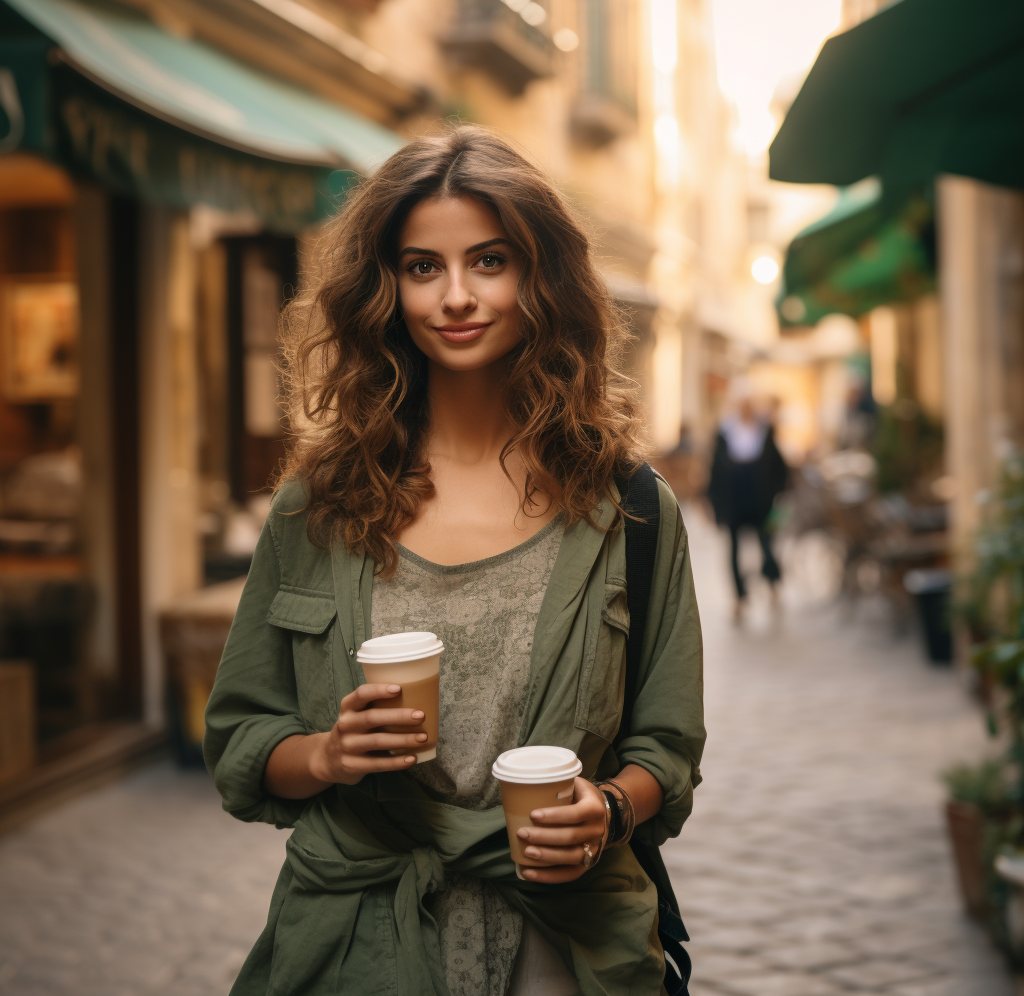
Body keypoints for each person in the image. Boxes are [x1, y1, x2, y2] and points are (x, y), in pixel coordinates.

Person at [203, 127, 705, 996]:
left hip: (566, 945)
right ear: (385, 286)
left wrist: (610, 808)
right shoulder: (318, 505)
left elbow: (666, 744)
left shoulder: (630, 508)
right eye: (422, 266)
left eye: (490, 260)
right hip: (358, 944)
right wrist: (326, 755)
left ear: (539, 275)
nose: (457, 297)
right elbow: (243, 738)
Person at [707, 392, 788, 621]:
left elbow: (778, 466)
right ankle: (739, 597)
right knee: (733, 549)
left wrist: (780, 493)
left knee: (767, 545)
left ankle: (772, 584)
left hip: (760, 499)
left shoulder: (765, 432)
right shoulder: (724, 433)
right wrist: (711, 500)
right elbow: (715, 469)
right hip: (733, 499)